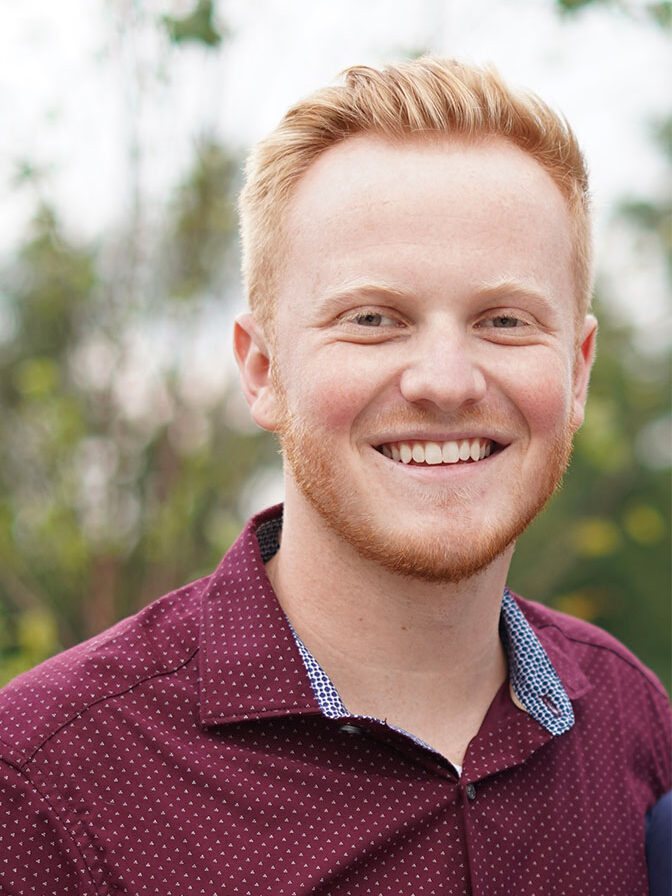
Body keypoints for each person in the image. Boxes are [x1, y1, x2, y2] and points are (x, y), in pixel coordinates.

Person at [0, 57, 669, 896]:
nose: (446, 380)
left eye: (504, 320)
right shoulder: (46, 785)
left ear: (576, 373)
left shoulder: (631, 723)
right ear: (262, 368)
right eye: (373, 319)